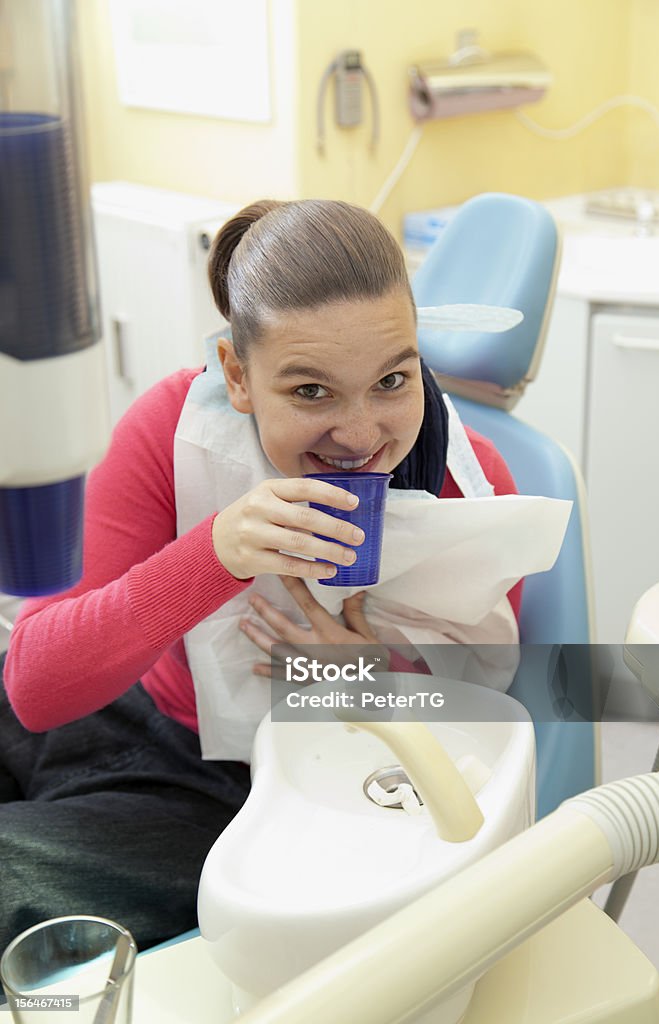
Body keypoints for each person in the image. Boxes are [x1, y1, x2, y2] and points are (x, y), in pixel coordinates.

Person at [0, 198, 522, 957]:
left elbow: (490, 714)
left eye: (391, 380)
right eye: (309, 390)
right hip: (114, 705)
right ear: (238, 377)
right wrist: (212, 553)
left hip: (233, 788)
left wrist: (362, 680)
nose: (358, 434)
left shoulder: (472, 491)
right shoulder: (170, 434)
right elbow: (37, 686)